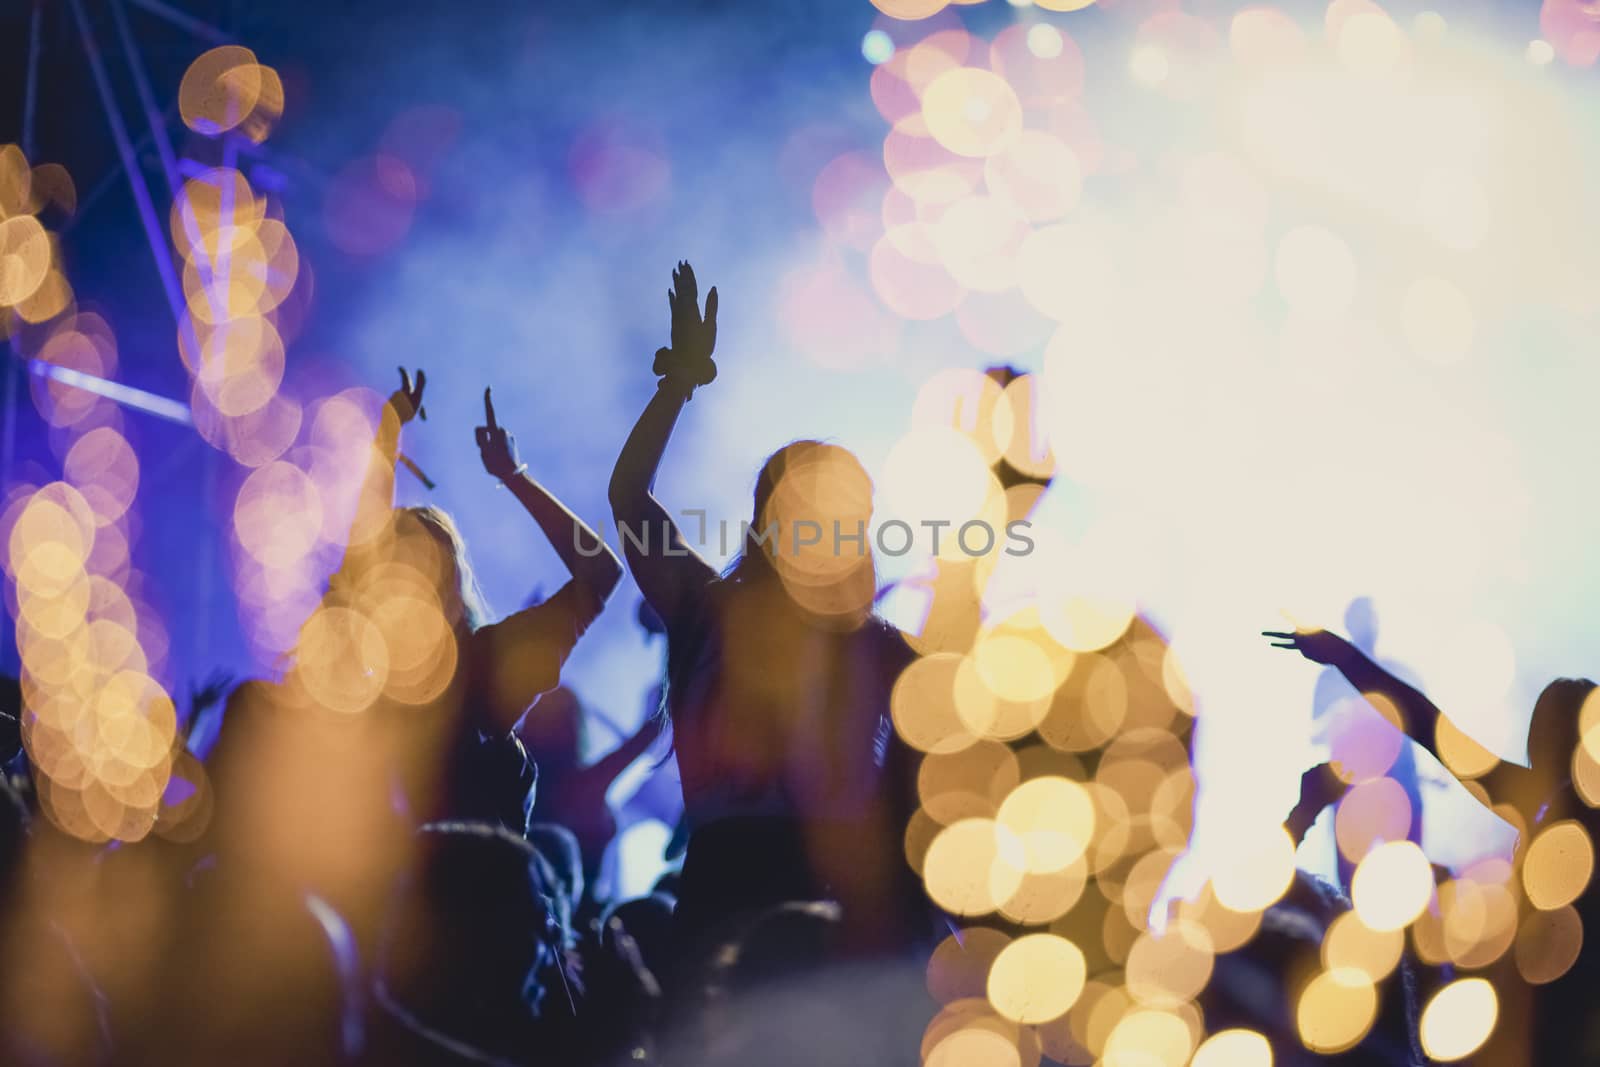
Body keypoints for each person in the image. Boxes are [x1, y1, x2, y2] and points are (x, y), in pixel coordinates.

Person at [608, 262, 923, 959]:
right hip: (725, 890)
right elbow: (631, 498)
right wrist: (677, 385)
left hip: (834, 899)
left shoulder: (884, 649)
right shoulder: (708, 610)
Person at [1266, 625, 1599, 1064]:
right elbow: (1429, 727)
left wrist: (1345, 658)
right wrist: (1344, 658)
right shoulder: (1537, 800)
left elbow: (1431, 728)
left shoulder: (1544, 802)